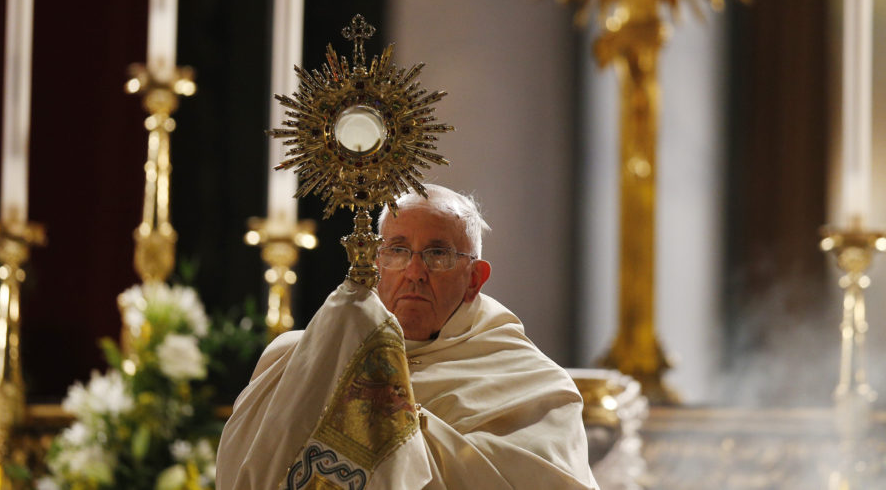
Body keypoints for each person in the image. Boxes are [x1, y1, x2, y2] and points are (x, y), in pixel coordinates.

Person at [216, 184, 599, 489]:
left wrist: (388, 416)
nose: (415, 271)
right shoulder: (297, 360)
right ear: (373, 262)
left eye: (438, 254)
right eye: (398, 250)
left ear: (475, 279)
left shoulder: (534, 386)